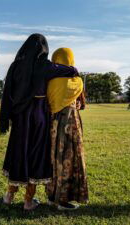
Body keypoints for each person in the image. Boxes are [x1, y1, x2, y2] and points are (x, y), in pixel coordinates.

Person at [0, 34, 79, 211]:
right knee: (35, 155)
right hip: (39, 116)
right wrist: (74, 72)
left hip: (20, 115)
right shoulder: (45, 66)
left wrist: (6, 116)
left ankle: (9, 196)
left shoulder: (15, 66)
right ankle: (28, 201)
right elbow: (69, 70)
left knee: (18, 153)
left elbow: (7, 93)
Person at [45, 47, 89, 210]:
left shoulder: (49, 80)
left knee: (53, 159)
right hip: (71, 123)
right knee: (69, 160)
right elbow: (82, 104)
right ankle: (62, 200)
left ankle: (52, 195)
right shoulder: (77, 80)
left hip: (52, 124)